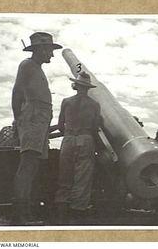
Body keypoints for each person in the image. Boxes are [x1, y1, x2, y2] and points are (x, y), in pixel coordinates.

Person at [11, 32, 62, 225]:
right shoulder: (27, 65)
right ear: (40, 49)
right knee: (28, 166)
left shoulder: (37, 69)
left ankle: (27, 212)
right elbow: (17, 92)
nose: (52, 55)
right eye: (49, 50)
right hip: (32, 118)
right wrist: (19, 120)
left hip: (39, 120)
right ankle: (21, 215)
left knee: (33, 167)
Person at [54, 71, 101, 224]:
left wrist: (69, 134)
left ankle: (61, 215)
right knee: (82, 179)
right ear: (88, 88)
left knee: (64, 176)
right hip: (86, 138)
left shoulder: (66, 101)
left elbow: (61, 125)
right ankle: (77, 215)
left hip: (68, 139)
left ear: (76, 85)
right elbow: (95, 127)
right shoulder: (94, 105)